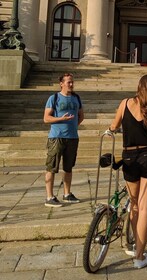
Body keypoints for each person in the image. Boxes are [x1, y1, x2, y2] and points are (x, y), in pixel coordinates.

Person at [108, 74, 147, 269]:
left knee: (134, 204)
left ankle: (136, 246)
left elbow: (113, 126)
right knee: (144, 207)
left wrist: (116, 130)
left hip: (129, 157)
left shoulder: (125, 103)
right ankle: (140, 256)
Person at [43, 73, 84, 207]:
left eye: (72, 82)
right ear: (61, 83)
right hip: (56, 137)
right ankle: (49, 196)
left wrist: (72, 127)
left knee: (68, 167)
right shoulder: (54, 98)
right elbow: (46, 118)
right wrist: (61, 119)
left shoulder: (76, 98)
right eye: (68, 82)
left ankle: (67, 194)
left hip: (72, 137)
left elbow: (81, 116)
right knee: (52, 167)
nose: (71, 84)